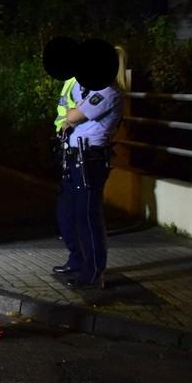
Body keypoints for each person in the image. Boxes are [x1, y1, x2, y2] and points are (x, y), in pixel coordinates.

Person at [52, 44, 124, 289]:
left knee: (88, 217)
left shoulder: (107, 93)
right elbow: (69, 115)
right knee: (67, 213)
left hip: (90, 160)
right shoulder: (91, 90)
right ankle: (77, 259)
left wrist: (70, 116)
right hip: (73, 158)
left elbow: (71, 117)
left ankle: (93, 274)